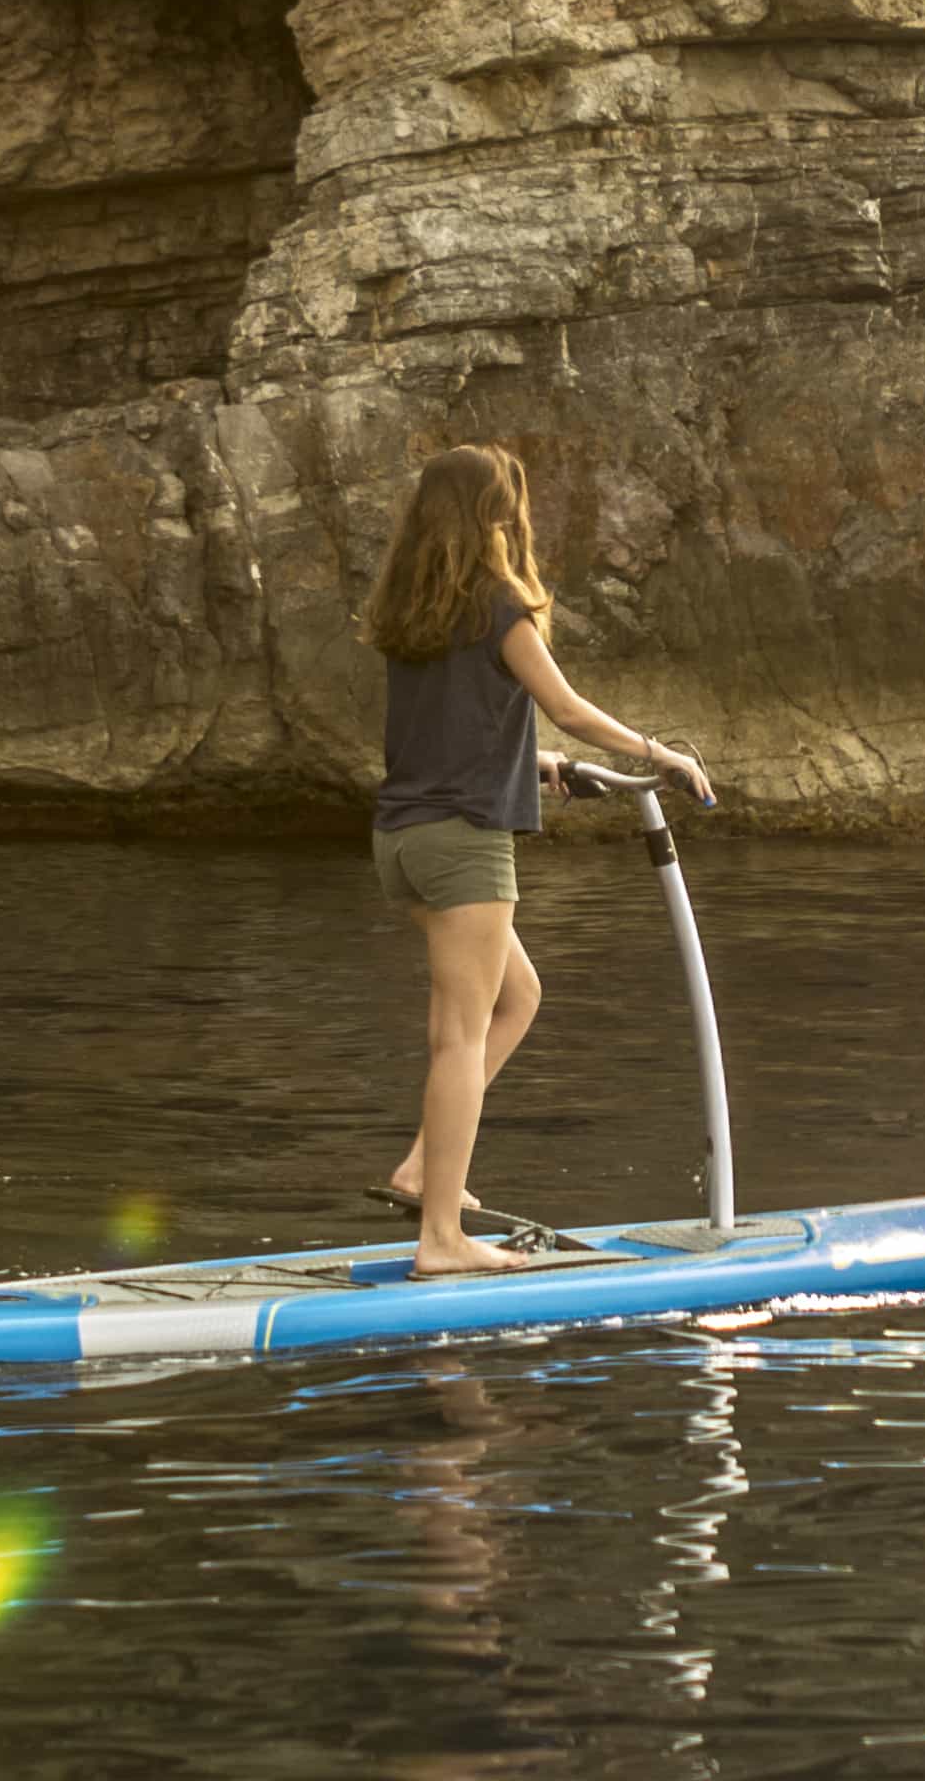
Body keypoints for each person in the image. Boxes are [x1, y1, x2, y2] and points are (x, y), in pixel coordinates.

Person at [361, 442, 710, 1274]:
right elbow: (566, 707)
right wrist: (658, 753)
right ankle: (441, 1239)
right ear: (494, 514)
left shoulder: (411, 605)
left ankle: (422, 1169)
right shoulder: (497, 602)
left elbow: (452, 722)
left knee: (518, 997)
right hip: (463, 843)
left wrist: (533, 764)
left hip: (402, 842)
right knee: (458, 1038)